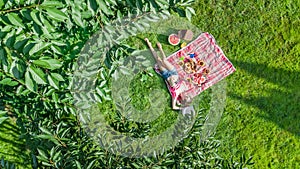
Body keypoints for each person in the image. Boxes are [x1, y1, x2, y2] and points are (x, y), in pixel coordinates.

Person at [145, 38, 188, 110]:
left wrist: (182, 108)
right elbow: (183, 79)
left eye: (185, 97)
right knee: (164, 60)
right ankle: (160, 48)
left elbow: (174, 107)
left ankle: (149, 45)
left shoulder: (175, 95)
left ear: (181, 99)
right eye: (188, 96)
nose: (186, 95)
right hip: (174, 72)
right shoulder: (185, 88)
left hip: (166, 74)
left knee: (157, 59)